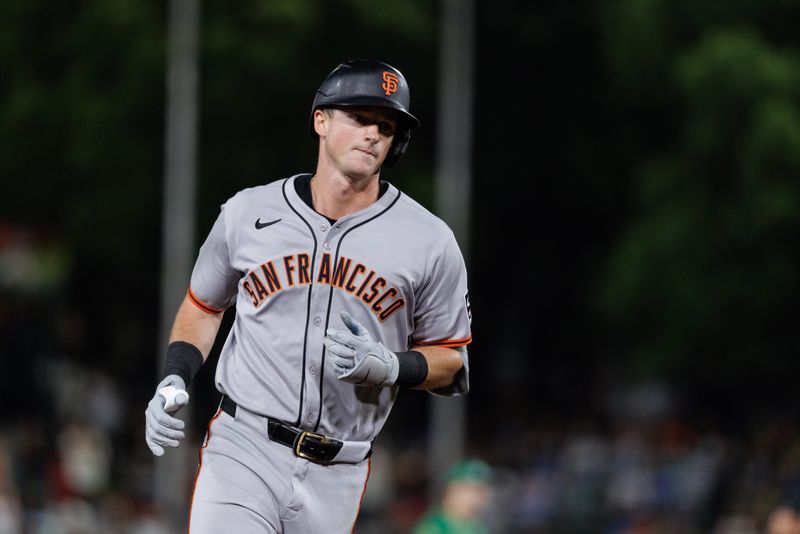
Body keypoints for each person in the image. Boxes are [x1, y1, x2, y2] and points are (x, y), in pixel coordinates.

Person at [144, 59, 473, 533]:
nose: (373, 134)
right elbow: (204, 306)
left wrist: (393, 365)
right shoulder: (247, 213)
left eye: (386, 125)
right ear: (321, 120)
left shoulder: (429, 240)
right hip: (245, 446)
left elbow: (453, 361)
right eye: (359, 118)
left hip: (341, 470)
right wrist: (174, 379)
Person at [412, 459, 492, 534]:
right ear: (452, 490)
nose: (482, 496)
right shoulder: (434, 528)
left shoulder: (476, 526)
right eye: (475, 490)